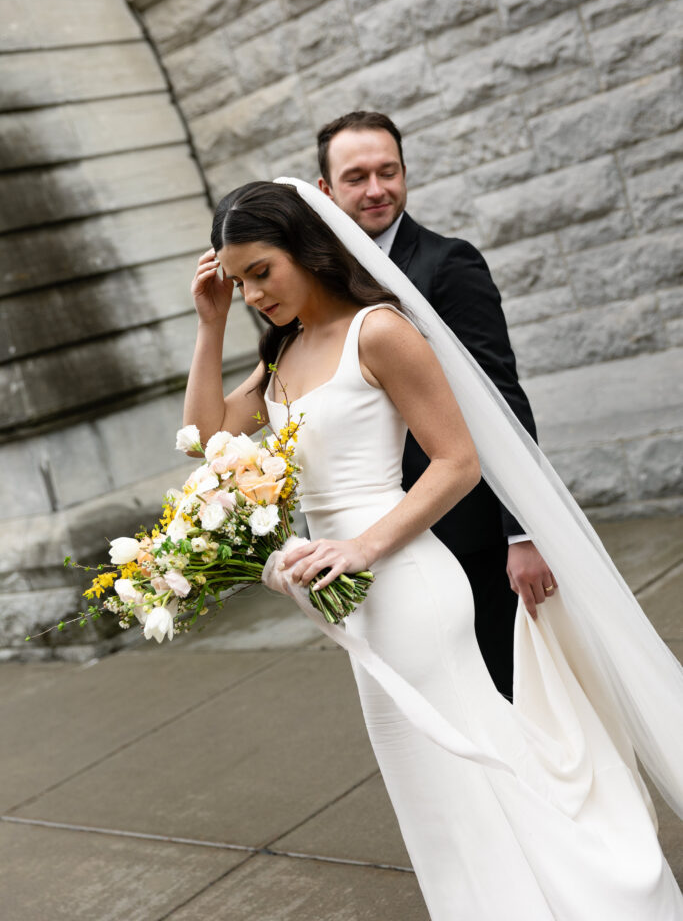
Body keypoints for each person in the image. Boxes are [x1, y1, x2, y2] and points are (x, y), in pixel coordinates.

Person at [183, 178, 683, 920]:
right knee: (424, 780)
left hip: (408, 580)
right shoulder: (281, 350)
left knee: (460, 760)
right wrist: (210, 325)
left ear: (307, 250)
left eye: (261, 272)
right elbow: (206, 442)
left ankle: (589, 896)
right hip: (353, 596)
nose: (253, 292)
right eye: (238, 280)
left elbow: (456, 462)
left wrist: (362, 546)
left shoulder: (377, 331)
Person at [315, 111, 552, 699]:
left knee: (505, 690)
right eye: (357, 177)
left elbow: (501, 394)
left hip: (470, 532)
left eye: (388, 171)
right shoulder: (322, 284)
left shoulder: (449, 264)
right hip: (388, 539)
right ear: (325, 190)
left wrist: (523, 533)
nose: (376, 189)